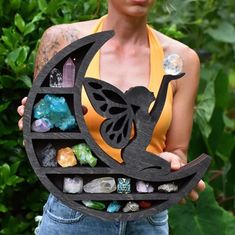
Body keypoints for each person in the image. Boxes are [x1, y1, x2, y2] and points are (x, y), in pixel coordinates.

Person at [17, 0, 206, 234]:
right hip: (75, 213)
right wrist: (36, 126)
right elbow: (40, 144)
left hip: (146, 214)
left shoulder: (181, 60)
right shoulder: (64, 41)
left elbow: (177, 151)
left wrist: (174, 168)